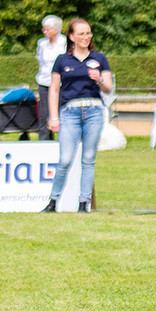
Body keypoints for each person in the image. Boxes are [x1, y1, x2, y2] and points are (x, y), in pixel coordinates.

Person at [41, 18, 113, 214]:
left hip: (94, 111)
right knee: (64, 160)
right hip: (69, 112)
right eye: (81, 34)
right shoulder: (62, 60)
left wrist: (99, 80)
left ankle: (84, 203)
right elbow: (54, 89)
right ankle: (53, 202)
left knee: (88, 159)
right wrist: (53, 117)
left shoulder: (100, 58)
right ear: (71, 37)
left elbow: (108, 88)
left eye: (88, 33)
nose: (86, 37)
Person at [35, 14, 66, 140]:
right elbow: (39, 59)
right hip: (44, 81)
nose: (44, 31)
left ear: (56, 29)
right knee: (43, 114)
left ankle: (63, 139)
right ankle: (44, 141)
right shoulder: (41, 43)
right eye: (44, 29)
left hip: (60, 83)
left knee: (61, 112)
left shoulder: (64, 42)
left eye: (47, 29)